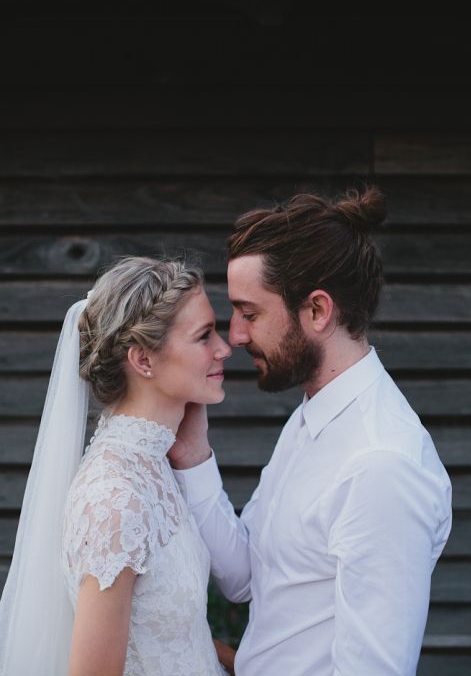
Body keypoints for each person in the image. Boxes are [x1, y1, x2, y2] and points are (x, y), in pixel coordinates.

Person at [169, 188, 453, 676]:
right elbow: (247, 578)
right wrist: (192, 453)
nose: (234, 335)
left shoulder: (381, 465)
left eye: (250, 312)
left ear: (318, 310)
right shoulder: (313, 415)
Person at [0, 256, 232, 676]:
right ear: (144, 360)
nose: (224, 349)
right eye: (204, 336)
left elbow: (166, 630)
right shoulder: (115, 500)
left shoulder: (153, 464)